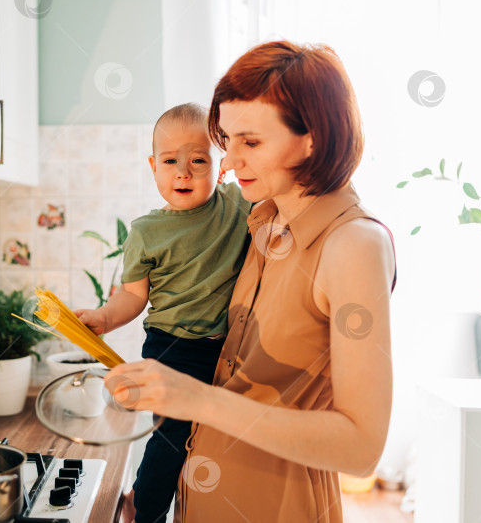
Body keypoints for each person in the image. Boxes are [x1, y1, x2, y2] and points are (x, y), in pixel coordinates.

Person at [104, 40, 397, 522]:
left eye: (252, 142)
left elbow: (361, 448)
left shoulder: (353, 245)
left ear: (312, 140)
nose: (229, 160)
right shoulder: (263, 219)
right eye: (228, 138)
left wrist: (194, 398)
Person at [75, 103, 251, 523]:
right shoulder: (146, 231)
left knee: (216, 438)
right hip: (172, 347)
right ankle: (145, 510)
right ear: (153, 166)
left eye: (198, 161)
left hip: (227, 349)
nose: (183, 173)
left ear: (220, 164)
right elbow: (132, 297)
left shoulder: (237, 204)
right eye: (170, 161)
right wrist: (104, 317)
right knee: (171, 437)